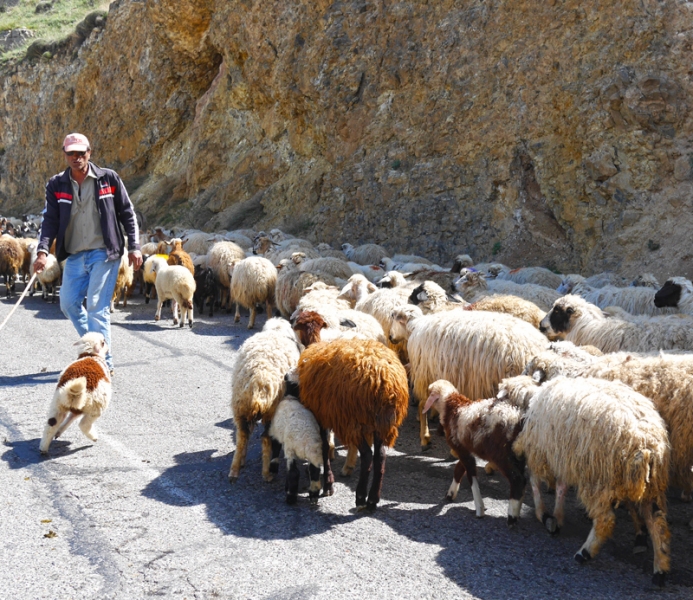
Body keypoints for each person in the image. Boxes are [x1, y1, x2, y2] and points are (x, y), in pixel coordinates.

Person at [35, 133, 143, 375]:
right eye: (71, 153)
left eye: (81, 152)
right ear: (64, 154)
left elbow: (127, 212)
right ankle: (97, 349)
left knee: (97, 306)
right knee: (68, 303)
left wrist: (135, 247)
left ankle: (103, 365)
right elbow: (49, 220)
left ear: (89, 152)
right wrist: (42, 251)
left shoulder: (108, 179)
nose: (76, 157)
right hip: (73, 255)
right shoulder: (56, 184)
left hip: (104, 253)